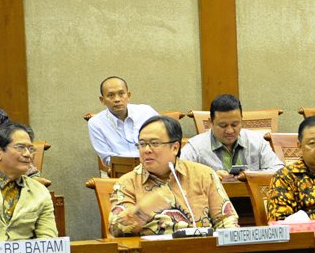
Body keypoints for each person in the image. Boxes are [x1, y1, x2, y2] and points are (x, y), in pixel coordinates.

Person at [109, 115, 238, 236]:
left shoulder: (204, 175)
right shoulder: (127, 183)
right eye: (142, 144)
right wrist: (141, 212)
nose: (146, 150)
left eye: (155, 143)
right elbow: (115, 228)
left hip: (205, 252)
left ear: (175, 147)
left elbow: (226, 219)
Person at [180, 94, 283, 179]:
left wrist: (251, 175)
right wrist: (209, 177)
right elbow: (177, 173)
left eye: (235, 124)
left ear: (241, 120)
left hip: (251, 201)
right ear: (211, 122)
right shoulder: (196, 146)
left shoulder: (256, 141)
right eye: (223, 125)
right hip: (211, 202)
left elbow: (279, 170)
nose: (229, 131)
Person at [88, 76, 157, 167]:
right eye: (110, 95)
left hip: (153, 166)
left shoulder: (146, 112)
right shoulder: (96, 123)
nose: (117, 99)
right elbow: (107, 158)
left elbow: (165, 140)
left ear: (128, 95)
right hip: (120, 171)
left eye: (121, 94)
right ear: (102, 100)